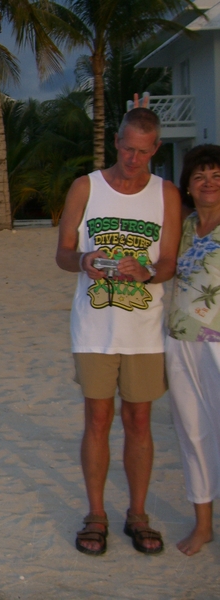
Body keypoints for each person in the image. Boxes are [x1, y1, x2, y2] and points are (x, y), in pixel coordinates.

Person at [56, 107, 182, 556]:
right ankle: (96, 514)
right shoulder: (85, 188)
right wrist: (84, 261)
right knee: (97, 418)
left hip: (144, 331)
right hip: (94, 328)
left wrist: (146, 272)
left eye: (143, 152)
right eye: (127, 149)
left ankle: (138, 514)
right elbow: (63, 254)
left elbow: (169, 262)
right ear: (116, 141)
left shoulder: (166, 193)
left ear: (156, 149)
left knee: (139, 421)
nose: (133, 159)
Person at [166, 144, 220, 556]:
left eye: (217, 176)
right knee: (193, 433)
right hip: (181, 341)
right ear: (187, 185)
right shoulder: (183, 226)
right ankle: (203, 525)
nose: (208, 183)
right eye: (200, 176)